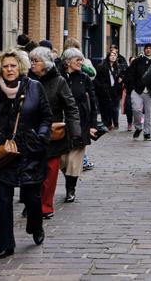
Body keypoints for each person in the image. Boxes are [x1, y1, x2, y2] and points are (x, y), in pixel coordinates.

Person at [0, 49, 52, 259]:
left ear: (20, 67)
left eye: (13, 66)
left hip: (30, 151)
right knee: (3, 200)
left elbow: (46, 117)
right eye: (5, 66)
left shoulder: (35, 88)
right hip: (3, 153)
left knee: (32, 197)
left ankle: (36, 226)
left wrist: (40, 137)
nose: (9, 70)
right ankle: (5, 244)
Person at [28, 47, 81, 219]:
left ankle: (45, 206)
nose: (32, 64)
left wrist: (75, 132)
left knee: (50, 174)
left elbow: (71, 108)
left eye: (36, 61)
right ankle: (33, 203)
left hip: (53, 135)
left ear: (46, 64)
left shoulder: (59, 82)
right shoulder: (27, 80)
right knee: (33, 173)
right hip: (31, 134)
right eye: (31, 61)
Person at [61, 48, 98, 199]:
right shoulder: (60, 77)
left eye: (81, 60)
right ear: (68, 61)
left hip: (81, 122)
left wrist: (93, 125)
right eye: (78, 60)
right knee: (63, 159)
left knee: (74, 160)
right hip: (62, 122)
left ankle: (71, 189)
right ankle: (68, 178)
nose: (80, 63)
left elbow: (93, 103)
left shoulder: (84, 78)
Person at [123, 44, 151, 141]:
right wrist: (131, 88)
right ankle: (138, 127)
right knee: (136, 109)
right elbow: (129, 74)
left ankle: (147, 133)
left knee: (148, 113)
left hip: (149, 91)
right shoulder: (137, 61)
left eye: (150, 48)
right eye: (147, 48)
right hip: (137, 90)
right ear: (144, 50)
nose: (148, 50)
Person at [95, 48, 124, 130]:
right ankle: (107, 123)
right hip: (105, 90)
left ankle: (115, 123)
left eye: (114, 55)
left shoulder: (117, 67)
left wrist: (121, 79)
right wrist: (101, 87)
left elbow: (121, 76)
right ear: (108, 57)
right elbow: (97, 79)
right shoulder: (102, 67)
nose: (113, 57)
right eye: (111, 55)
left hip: (115, 90)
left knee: (115, 107)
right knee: (106, 107)